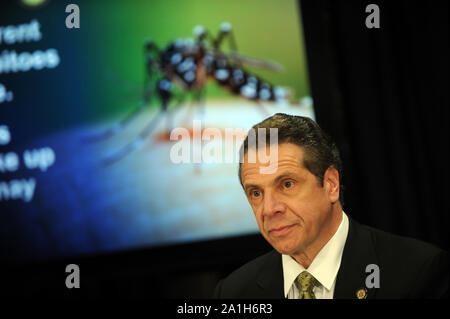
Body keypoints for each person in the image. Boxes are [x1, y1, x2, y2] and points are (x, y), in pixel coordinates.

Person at [213, 113, 448, 299]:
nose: (269, 209)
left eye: (286, 184)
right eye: (256, 193)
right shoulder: (233, 293)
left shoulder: (417, 273)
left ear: (331, 185)